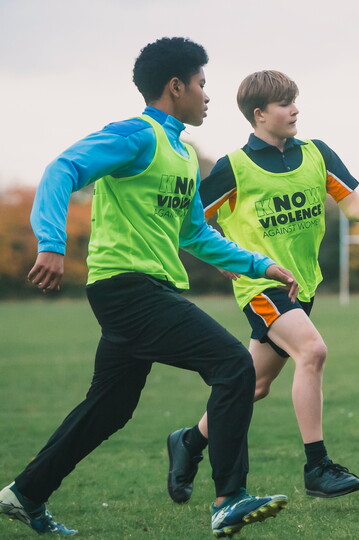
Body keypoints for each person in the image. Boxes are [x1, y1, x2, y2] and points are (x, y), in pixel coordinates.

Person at [0, 38, 295, 537]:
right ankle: (229, 498)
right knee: (232, 365)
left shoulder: (182, 154)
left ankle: (24, 494)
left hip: (148, 290)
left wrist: (258, 264)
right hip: (127, 289)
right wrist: (51, 242)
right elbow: (61, 170)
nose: (207, 95)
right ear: (175, 86)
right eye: (202, 84)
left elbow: (194, 234)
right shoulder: (136, 136)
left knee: (110, 409)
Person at [165, 70, 359, 504]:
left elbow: (351, 204)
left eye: (294, 100)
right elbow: (189, 223)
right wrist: (224, 258)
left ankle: (188, 443)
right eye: (283, 103)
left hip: (303, 287)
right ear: (259, 114)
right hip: (262, 287)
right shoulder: (233, 167)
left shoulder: (317, 153)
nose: (294, 109)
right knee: (312, 351)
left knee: (252, 386)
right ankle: (318, 467)